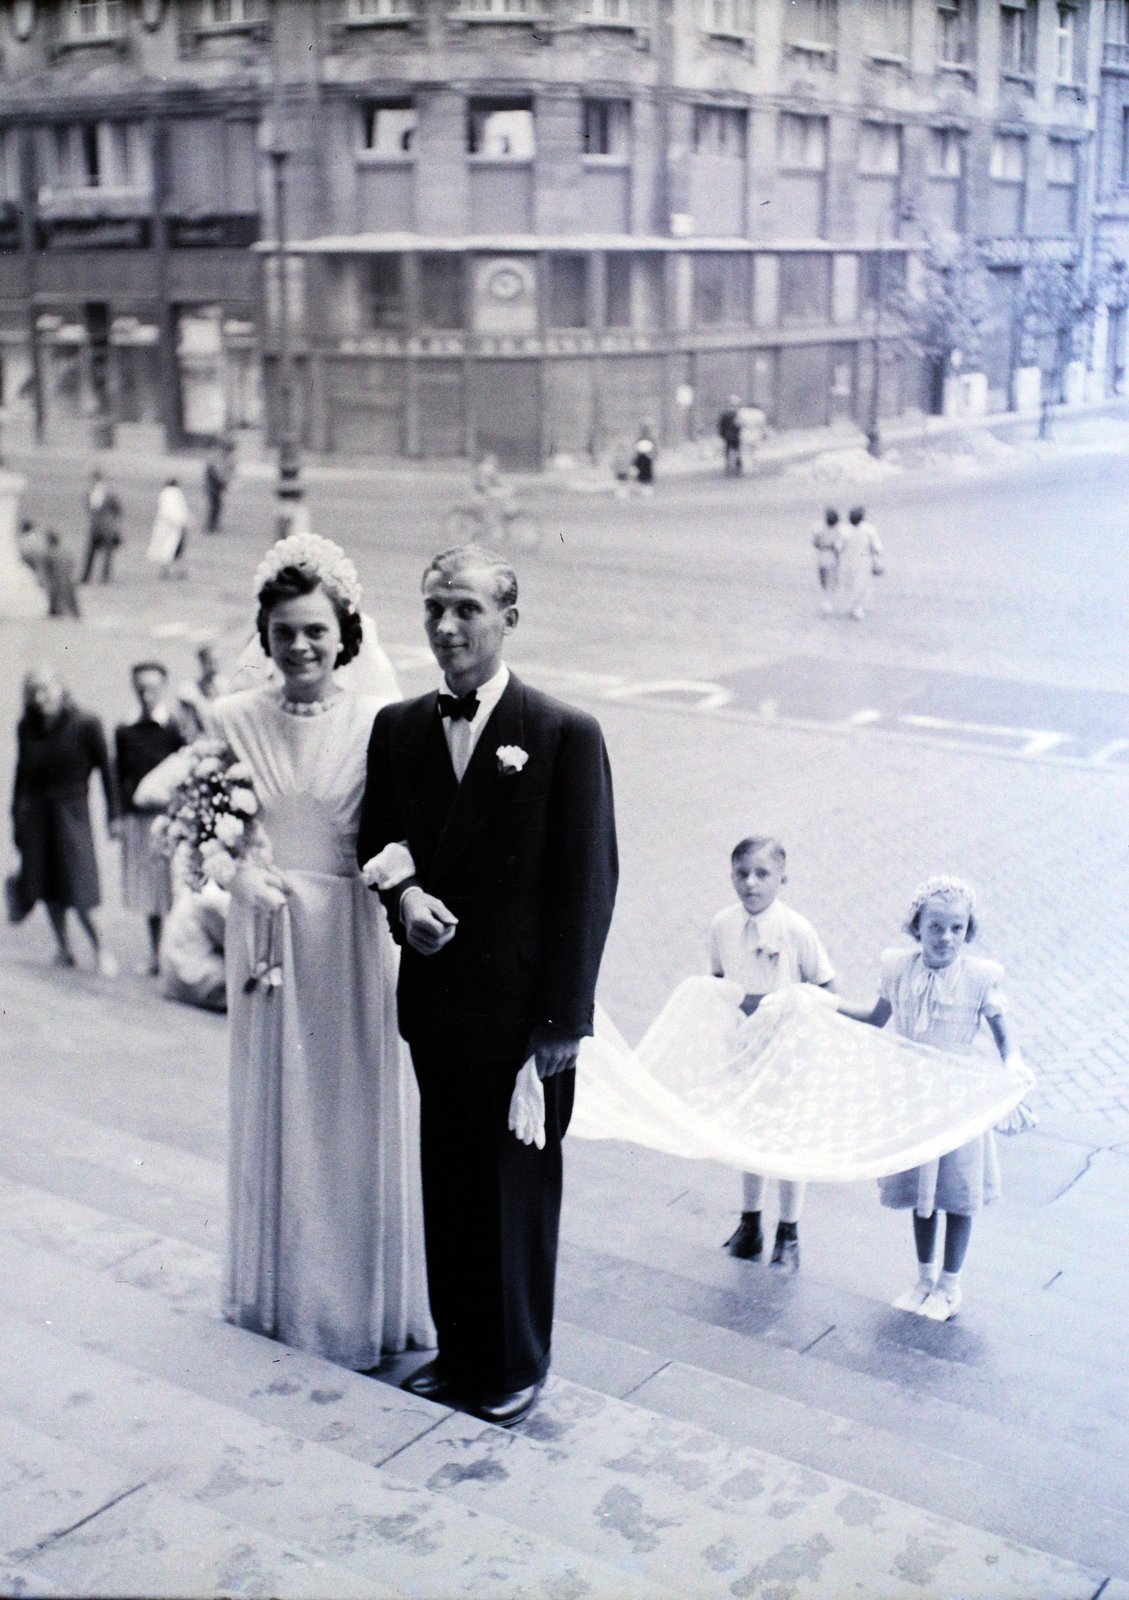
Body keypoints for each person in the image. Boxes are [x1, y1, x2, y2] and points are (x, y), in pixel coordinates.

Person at [357, 542, 618, 1428]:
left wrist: (561, 1023)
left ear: (509, 617)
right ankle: (461, 1351)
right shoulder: (398, 728)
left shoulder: (560, 734)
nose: (445, 626)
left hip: (521, 1022)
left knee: (514, 1196)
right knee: (452, 1184)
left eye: (465, 609)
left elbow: (588, 885)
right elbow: (378, 841)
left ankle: (515, 1362)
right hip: (438, 1007)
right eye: (433, 607)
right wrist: (406, 899)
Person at [213, 532, 432, 1370]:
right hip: (268, 941)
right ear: (262, 638)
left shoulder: (384, 722)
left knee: (350, 1112)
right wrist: (239, 877)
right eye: (284, 632)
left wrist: (399, 875)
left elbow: (412, 833)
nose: (300, 646)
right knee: (279, 1108)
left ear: (346, 632)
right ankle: (283, 1297)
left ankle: (356, 1304)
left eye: (315, 630)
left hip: (348, 937)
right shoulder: (231, 720)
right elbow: (210, 825)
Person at [841, 877, 1023, 1321]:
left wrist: (1014, 1062)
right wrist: (820, 1004)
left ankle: (949, 1284)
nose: (945, 938)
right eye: (935, 927)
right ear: (916, 928)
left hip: (958, 1099)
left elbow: (1002, 1032)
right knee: (924, 1190)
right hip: (914, 1096)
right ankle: (923, 1277)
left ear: (967, 931)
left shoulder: (978, 978)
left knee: (958, 1192)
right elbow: (874, 1017)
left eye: (956, 929)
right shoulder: (899, 970)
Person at [714, 837, 836, 1272]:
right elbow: (717, 979)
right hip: (746, 1045)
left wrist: (794, 1007)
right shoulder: (723, 926)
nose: (750, 883)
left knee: (787, 1137)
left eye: (762, 874)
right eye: (741, 873)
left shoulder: (797, 930)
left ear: (783, 878)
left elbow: (826, 987)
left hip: (789, 1051)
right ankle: (750, 1224)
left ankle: (789, 1232)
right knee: (749, 1133)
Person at [10, 666, 119, 975]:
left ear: (61, 688)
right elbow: (21, 775)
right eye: (33, 692)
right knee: (45, 883)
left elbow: (107, 771)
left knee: (78, 883)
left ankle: (101, 949)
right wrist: (15, 817)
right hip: (36, 814)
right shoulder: (27, 726)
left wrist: (114, 816)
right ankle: (64, 948)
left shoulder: (86, 722)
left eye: (45, 689)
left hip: (72, 812)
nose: (40, 697)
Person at [113, 662, 185, 975]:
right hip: (140, 820)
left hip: (170, 817)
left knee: (175, 887)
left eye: (152, 688)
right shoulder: (125, 729)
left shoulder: (173, 727)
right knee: (149, 890)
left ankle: (176, 956)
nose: (146, 695)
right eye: (140, 688)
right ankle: (157, 957)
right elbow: (118, 775)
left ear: (163, 688)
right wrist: (117, 816)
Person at [835, 505, 884, 621]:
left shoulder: (846, 530)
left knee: (856, 585)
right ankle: (857, 607)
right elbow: (877, 547)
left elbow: (838, 547)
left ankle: (857, 607)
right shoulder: (868, 530)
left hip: (854, 562)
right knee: (857, 585)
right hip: (859, 562)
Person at [80, 469, 122, 585]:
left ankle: (103, 577)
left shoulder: (107, 493)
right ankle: (89, 576)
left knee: (104, 553)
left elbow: (117, 509)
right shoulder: (90, 493)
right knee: (92, 552)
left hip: (105, 526)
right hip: (97, 526)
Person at [147, 478, 191, 580]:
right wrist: (182, 522)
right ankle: (171, 572)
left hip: (166, 527)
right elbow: (173, 511)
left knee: (169, 550)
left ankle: (172, 571)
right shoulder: (173, 494)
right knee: (172, 549)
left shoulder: (165, 494)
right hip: (173, 528)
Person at [812, 508, 843, 617]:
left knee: (824, 580)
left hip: (821, 557)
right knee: (832, 581)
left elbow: (815, 544)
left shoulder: (818, 529)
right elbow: (838, 548)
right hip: (831, 557)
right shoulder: (838, 530)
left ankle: (826, 601)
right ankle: (828, 602)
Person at [204, 437, 234, 534]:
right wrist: (223, 481)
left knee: (218, 506)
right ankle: (211, 526)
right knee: (214, 506)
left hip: (217, 484)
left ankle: (213, 525)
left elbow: (227, 471)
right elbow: (215, 471)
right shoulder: (216, 456)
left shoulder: (224, 457)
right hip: (213, 484)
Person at [718, 396, 742, 476]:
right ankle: (738, 467)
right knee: (738, 451)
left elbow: (721, 426)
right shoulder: (739, 414)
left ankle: (728, 466)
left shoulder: (725, 415)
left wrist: (722, 435)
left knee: (728, 451)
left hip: (728, 435)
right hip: (737, 436)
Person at [632, 424, 656, 493]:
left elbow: (653, 449)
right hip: (641, 457)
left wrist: (652, 454)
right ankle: (642, 485)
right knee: (641, 471)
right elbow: (636, 448)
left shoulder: (650, 439)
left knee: (647, 471)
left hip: (647, 457)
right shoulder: (639, 438)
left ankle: (647, 486)